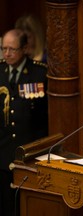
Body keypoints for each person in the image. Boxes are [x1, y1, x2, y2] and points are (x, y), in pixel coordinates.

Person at [0, 29, 48, 216]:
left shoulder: (39, 73)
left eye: (12, 49)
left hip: (28, 152)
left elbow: (45, 115)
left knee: (24, 205)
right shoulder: (0, 70)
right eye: (4, 48)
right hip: (2, 151)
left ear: (25, 48)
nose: (7, 54)